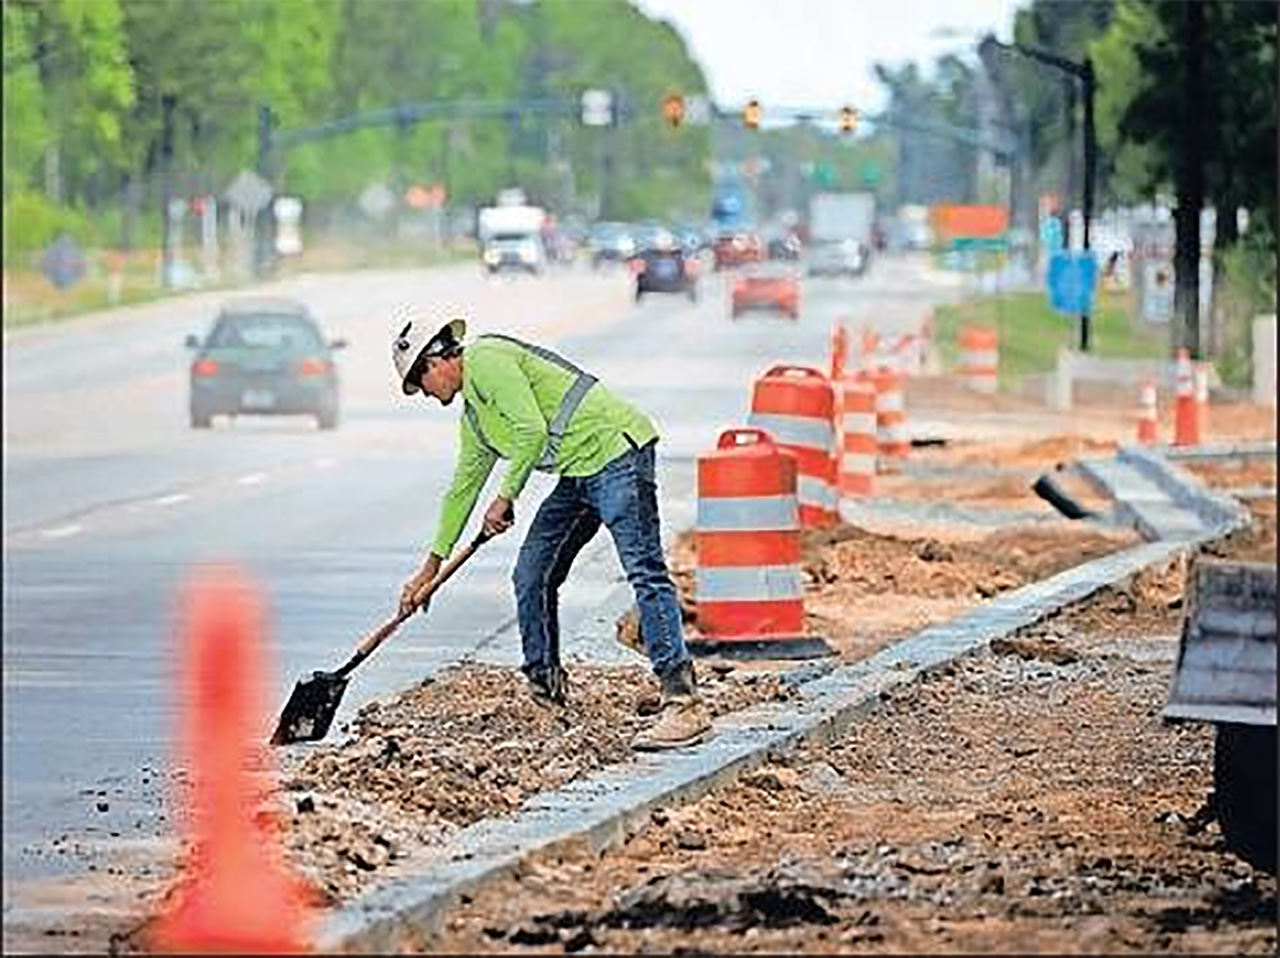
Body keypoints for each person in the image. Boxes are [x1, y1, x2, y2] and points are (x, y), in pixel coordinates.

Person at [391, 314, 712, 750]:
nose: (426, 394)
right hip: (577, 474)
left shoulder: (486, 358)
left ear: (435, 362)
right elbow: (463, 488)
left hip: (616, 453)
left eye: (421, 383)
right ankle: (546, 694)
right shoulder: (476, 418)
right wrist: (429, 569)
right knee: (531, 574)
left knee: (644, 572)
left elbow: (531, 431)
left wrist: (505, 497)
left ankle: (684, 706)